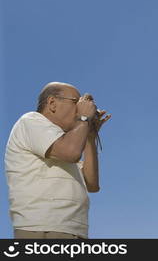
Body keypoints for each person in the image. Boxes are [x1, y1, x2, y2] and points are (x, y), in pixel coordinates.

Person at [5, 82, 111, 239]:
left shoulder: (64, 139)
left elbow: (92, 184)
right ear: (52, 103)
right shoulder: (31, 121)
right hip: (43, 229)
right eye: (76, 102)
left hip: (73, 231)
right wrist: (83, 119)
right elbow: (71, 152)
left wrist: (89, 136)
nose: (80, 108)